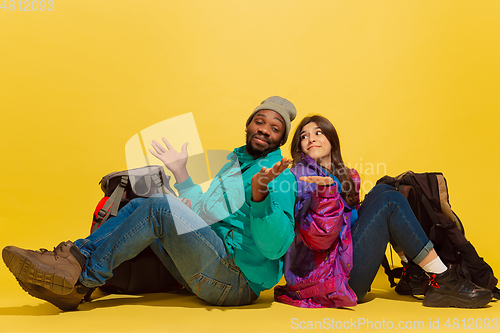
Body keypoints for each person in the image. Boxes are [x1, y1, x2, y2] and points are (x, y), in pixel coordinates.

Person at [2, 96, 298, 311]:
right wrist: (181, 171)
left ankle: (80, 280)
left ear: (281, 138)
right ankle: (74, 263)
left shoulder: (279, 178)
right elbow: (204, 212)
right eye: (260, 121)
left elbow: (275, 248)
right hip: (214, 265)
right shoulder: (235, 164)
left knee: (158, 207)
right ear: (247, 125)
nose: (264, 130)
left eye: (274, 128)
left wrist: (260, 198)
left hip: (235, 282)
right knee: (142, 202)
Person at [274, 115, 493, 308]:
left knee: (385, 189)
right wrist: (325, 194)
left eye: (318, 132)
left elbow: (355, 227)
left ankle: (412, 272)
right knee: (389, 201)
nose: (311, 138)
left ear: (331, 140)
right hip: (331, 281)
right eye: (304, 136)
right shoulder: (301, 177)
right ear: (300, 146)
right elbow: (320, 239)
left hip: (344, 265)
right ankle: (444, 279)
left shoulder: (343, 177)